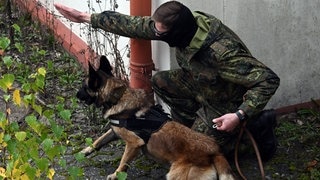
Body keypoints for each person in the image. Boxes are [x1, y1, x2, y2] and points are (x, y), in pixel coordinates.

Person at [54, 1, 280, 161]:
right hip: (202, 84)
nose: (155, 33)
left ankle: (257, 129)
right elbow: (138, 25)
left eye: (161, 33)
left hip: (226, 102)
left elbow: (268, 80)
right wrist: (86, 17)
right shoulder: (185, 27)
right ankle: (190, 125)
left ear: (178, 33)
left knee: (199, 152)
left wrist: (239, 114)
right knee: (161, 81)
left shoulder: (222, 54)